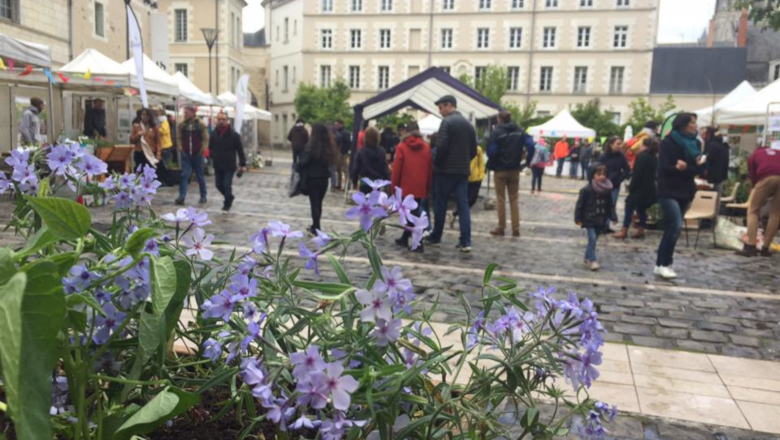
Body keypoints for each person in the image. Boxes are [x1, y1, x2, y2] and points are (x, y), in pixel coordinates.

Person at [655, 113, 706, 279]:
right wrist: (677, 168)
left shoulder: (696, 143)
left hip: (685, 190)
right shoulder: (668, 142)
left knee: (671, 228)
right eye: (692, 122)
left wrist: (685, 168)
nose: (695, 125)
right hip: (667, 190)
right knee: (676, 225)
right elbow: (663, 168)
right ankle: (666, 263)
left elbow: (699, 170)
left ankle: (659, 264)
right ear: (683, 124)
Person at [425, 95, 478, 252]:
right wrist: (464, 161)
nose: (440, 111)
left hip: (445, 171)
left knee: (440, 203)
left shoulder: (447, 123)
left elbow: (441, 148)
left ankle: (436, 236)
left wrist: (438, 164)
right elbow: (474, 150)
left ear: (449, 106)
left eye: (441, 107)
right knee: (463, 205)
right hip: (462, 171)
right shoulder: (469, 125)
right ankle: (465, 240)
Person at [486, 109, 535, 237]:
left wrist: (495, 159)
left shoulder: (496, 132)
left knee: (501, 199)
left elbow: (491, 151)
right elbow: (531, 145)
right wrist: (527, 162)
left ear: (499, 119)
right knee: (514, 199)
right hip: (515, 169)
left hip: (500, 170)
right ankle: (516, 228)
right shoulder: (519, 131)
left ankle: (501, 227)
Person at [391, 121, 432, 252]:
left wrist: (394, 188)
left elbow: (397, 169)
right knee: (413, 213)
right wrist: (428, 187)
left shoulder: (402, 146)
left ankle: (418, 243)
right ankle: (404, 237)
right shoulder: (426, 147)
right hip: (420, 186)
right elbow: (430, 169)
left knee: (412, 215)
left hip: (405, 186)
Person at [736, 144, 780, 257]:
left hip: (765, 177)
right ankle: (765, 247)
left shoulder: (754, 155)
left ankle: (751, 246)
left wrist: (757, 191)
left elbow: (753, 176)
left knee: (753, 211)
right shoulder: (777, 152)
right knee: (775, 213)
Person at [613, 137, 659, 240]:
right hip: (649, 188)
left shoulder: (642, 157)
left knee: (629, 206)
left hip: (639, 188)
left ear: (644, 146)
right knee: (642, 209)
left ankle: (624, 230)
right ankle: (641, 229)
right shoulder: (654, 157)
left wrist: (632, 187)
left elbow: (637, 174)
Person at [297, 123, 338, 235]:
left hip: (312, 178)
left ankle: (316, 226)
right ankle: (315, 225)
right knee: (319, 203)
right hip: (324, 179)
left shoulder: (311, 146)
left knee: (314, 203)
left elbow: (303, 162)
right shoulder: (328, 147)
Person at [575, 164, 617, 271]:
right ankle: (593, 260)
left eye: (604, 174)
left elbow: (610, 205)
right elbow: (580, 205)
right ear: (593, 175)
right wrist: (578, 218)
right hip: (589, 218)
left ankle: (587, 257)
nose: (602, 177)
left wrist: (613, 216)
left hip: (600, 219)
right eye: (599, 174)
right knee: (592, 239)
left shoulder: (607, 190)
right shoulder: (586, 190)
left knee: (593, 240)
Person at [209, 111, 247, 213]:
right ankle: (229, 197)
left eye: (223, 119)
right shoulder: (213, 134)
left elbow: (240, 150)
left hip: (229, 165)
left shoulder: (234, 135)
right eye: (219, 119)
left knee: (226, 185)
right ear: (216, 120)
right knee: (218, 185)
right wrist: (212, 155)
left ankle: (227, 204)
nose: (221, 121)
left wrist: (242, 164)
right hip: (218, 164)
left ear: (227, 121)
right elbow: (210, 147)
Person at [176, 105, 209, 205]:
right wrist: (180, 148)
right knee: (184, 175)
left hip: (197, 154)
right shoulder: (182, 125)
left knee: (200, 176)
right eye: (184, 112)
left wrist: (202, 149)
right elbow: (179, 137)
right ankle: (182, 196)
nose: (185, 114)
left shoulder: (200, 124)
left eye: (187, 112)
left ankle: (203, 196)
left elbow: (205, 138)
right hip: (186, 154)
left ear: (193, 113)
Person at [451, 143, 485, 229]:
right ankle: (462, 217)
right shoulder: (461, 148)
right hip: (464, 177)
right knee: (464, 200)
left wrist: (481, 176)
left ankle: (456, 213)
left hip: (475, 179)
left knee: (472, 199)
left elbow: (481, 163)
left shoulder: (478, 149)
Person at [597, 136, 630, 223]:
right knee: (602, 204)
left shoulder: (621, 156)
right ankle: (600, 224)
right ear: (611, 145)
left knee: (612, 204)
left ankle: (607, 224)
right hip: (603, 184)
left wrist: (620, 178)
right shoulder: (603, 156)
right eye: (618, 144)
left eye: (620, 144)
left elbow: (626, 168)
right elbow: (596, 169)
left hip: (615, 184)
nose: (620, 146)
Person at [352, 126, 390, 193]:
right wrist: (387, 181)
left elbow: (356, 168)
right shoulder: (381, 151)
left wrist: (354, 181)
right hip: (377, 182)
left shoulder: (361, 152)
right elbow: (384, 168)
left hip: (364, 182)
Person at [702, 127, 730, 195]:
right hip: (721, 176)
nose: (702, 136)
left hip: (712, 178)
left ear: (709, 134)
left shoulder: (712, 145)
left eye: (703, 134)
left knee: (709, 199)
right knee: (716, 199)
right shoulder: (723, 145)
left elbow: (709, 159)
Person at [155, 105, 175, 186]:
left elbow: (163, 131)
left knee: (163, 164)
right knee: (160, 164)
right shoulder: (158, 121)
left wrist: (156, 128)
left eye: (157, 111)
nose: (156, 113)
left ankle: (169, 180)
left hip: (165, 146)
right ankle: (164, 180)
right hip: (159, 146)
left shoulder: (164, 121)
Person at [333, 119, 351, 191]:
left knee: (344, 169)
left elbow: (348, 143)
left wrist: (343, 152)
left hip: (343, 153)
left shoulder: (345, 133)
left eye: (337, 125)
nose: (336, 126)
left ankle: (347, 185)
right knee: (338, 169)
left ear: (341, 124)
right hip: (337, 152)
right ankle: (339, 184)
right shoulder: (337, 132)